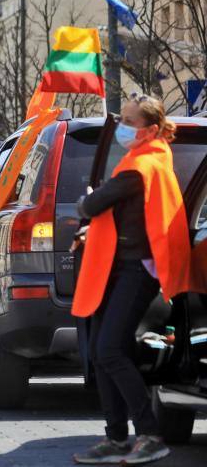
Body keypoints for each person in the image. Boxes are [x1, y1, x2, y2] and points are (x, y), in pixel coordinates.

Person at [71, 94, 190, 465]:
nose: (122, 126)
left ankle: (149, 433)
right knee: (101, 351)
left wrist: (89, 202)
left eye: (129, 121)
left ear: (151, 129)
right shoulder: (150, 160)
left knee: (107, 350)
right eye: (121, 118)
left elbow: (91, 205)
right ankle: (116, 438)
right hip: (123, 267)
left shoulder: (140, 166)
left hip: (135, 270)